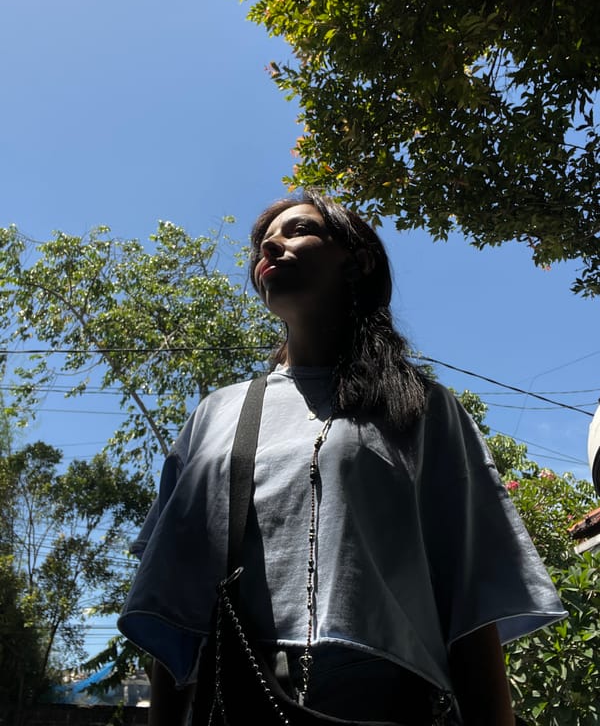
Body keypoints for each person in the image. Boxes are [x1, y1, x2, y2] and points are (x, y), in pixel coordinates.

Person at [118, 192, 566, 726]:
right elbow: (176, 602)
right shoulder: (218, 413)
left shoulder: (422, 408)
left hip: (389, 696)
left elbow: (470, 600)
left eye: (298, 229)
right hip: (238, 691)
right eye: (265, 240)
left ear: (356, 261)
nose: (270, 243)